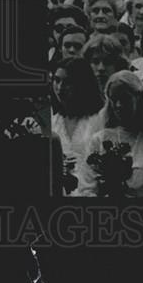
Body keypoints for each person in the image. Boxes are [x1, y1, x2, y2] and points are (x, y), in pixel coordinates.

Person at [72, 70, 143, 197]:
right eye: (114, 99)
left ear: (138, 98)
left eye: (125, 99)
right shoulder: (99, 140)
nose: (119, 105)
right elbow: (86, 189)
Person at [50, 56, 104, 192]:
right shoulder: (53, 121)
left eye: (68, 82)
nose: (60, 88)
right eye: (57, 80)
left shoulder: (98, 119)